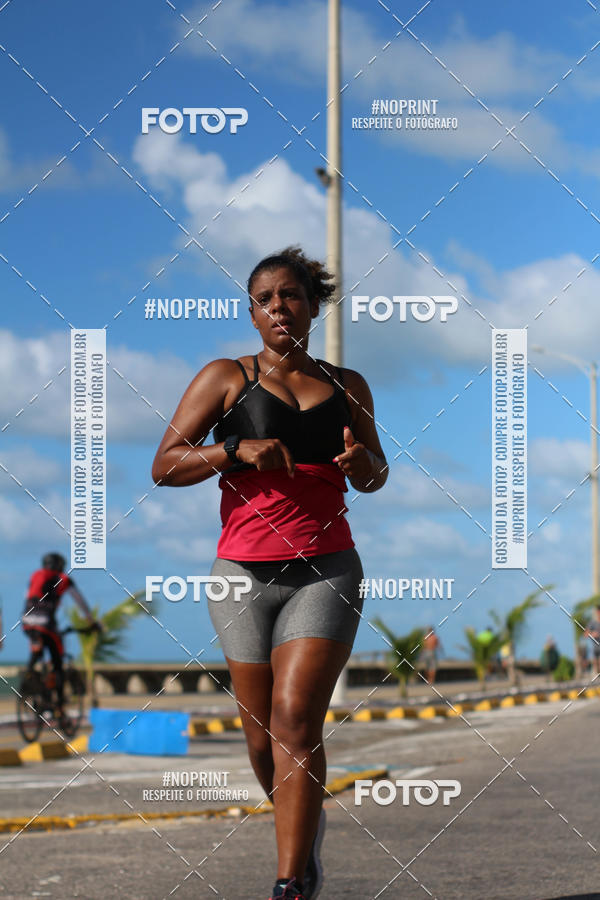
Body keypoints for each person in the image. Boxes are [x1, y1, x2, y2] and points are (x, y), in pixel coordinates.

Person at [152, 247, 388, 900]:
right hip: (240, 576)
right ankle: (303, 833)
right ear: (252, 313)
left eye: (291, 295)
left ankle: (291, 882)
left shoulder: (348, 385)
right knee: (260, 742)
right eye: (265, 299)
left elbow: (376, 474)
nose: (279, 306)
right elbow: (165, 465)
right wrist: (233, 449)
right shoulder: (225, 377)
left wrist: (363, 465)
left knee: (295, 719)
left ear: (312, 305)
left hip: (326, 568)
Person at [22, 552, 99, 720]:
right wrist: (91, 622)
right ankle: (59, 706)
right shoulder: (63, 579)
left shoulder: (35, 575)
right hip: (46, 624)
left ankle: (29, 675)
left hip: (27, 622)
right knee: (57, 663)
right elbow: (80, 601)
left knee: (37, 648)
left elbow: (28, 596)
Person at [584, 606, 600, 675]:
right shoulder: (592, 623)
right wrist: (593, 634)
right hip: (594, 647)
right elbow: (585, 634)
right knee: (597, 667)